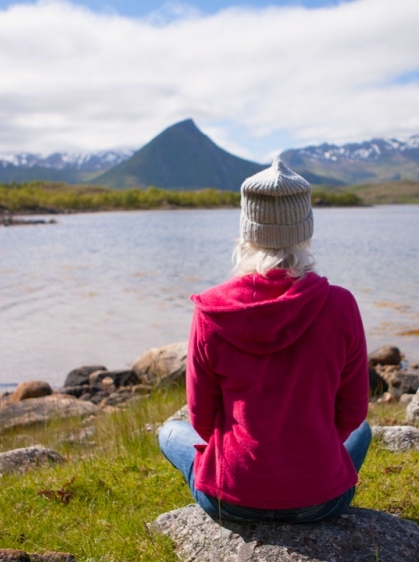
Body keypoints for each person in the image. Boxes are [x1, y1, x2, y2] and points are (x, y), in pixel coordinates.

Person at [157, 158, 371, 524]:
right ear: (305, 231)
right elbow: (352, 413)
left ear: (247, 233)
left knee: (169, 432)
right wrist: (308, 448)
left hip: (231, 499)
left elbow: (203, 419)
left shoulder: (212, 311)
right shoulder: (341, 305)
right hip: (320, 501)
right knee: (362, 432)